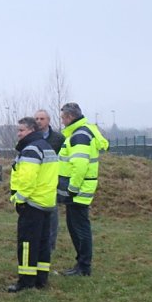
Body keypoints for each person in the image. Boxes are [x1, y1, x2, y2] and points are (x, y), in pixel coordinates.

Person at [57, 102, 109, 276]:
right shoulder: (84, 131)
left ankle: (84, 266)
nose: (62, 121)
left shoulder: (79, 136)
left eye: (63, 117)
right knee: (76, 226)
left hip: (78, 189)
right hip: (81, 187)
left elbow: (80, 165)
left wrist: (71, 188)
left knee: (79, 228)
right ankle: (81, 264)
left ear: (70, 117)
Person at [7, 117, 58, 292]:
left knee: (27, 244)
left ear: (31, 130)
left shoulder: (30, 149)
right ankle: (41, 279)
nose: (18, 134)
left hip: (32, 203)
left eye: (21, 130)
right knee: (43, 243)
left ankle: (26, 281)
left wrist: (19, 200)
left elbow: (27, 179)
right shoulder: (46, 146)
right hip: (47, 202)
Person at [34, 109, 65, 252]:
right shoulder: (31, 138)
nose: (39, 121)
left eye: (42, 119)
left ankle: (50, 244)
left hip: (52, 181)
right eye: (37, 119)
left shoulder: (58, 139)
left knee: (52, 213)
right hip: (34, 180)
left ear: (48, 121)